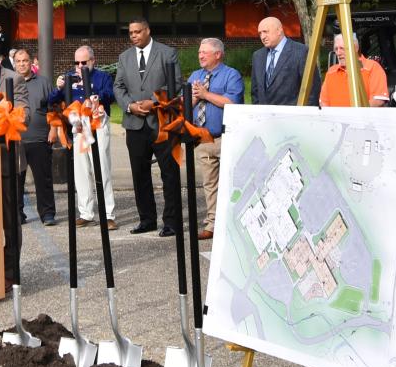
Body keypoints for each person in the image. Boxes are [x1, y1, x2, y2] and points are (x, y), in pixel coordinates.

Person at [114, 19, 182, 236]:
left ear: (148, 31)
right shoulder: (124, 57)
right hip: (135, 126)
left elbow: (175, 84)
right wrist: (129, 106)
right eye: (131, 32)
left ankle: (171, 221)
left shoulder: (167, 53)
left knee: (169, 173)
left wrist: (153, 102)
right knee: (140, 174)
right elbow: (119, 86)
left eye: (137, 32)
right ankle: (147, 220)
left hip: (162, 122)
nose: (133, 35)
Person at [55, 46, 118, 230]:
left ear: (92, 61)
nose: (80, 66)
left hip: (97, 122)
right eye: (77, 62)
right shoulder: (69, 77)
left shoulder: (102, 76)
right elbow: (54, 99)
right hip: (79, 125)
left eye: (84, 62)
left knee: (102, 169)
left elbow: (110, 95)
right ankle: (86, 213)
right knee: (81, 171)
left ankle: (108, 214)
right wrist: (59, 86)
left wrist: (97, 98)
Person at [188, 38, 243, 240]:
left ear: (218, 54)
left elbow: (232, 103)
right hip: (203, 140)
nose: (200, 55)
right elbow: (184, 104)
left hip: (226, 138)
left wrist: (205, 94)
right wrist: (194, 97)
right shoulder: (195, 76)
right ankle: (212, 224)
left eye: (205, 52)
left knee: (233, 182)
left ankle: (236, 224)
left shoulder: (231, 75)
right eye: (199, 52)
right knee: (209, 184)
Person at [10, 49, 56, 226]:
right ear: (14, 63)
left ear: (31, 63)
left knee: (43, 180)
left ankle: (47, 214)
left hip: (39, 139)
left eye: (25, 60)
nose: (22, 64)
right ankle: (17, 214)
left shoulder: (44, 83)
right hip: (16, 140)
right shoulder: (9, 83)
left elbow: (53, 108)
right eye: (19, 61)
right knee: (16, 182)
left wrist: (53, 130)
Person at [317, 33, 389, 107]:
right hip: (334, 118)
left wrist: (353, 116)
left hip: (362, 118)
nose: (338, 53)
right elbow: (323, 102)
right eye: (336, 49)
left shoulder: (372, 67)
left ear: (355, 48)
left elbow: (378, 100)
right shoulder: (331, 72)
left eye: (342, 48)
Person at [250, 16, 305, 105]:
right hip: (264, 116)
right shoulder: (258, 56)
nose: (262, 37)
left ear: (279, 31)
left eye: (265, 32)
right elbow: (255, 91)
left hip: (291, 116)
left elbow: (311, 89)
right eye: (260, 33)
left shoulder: (300, 51)